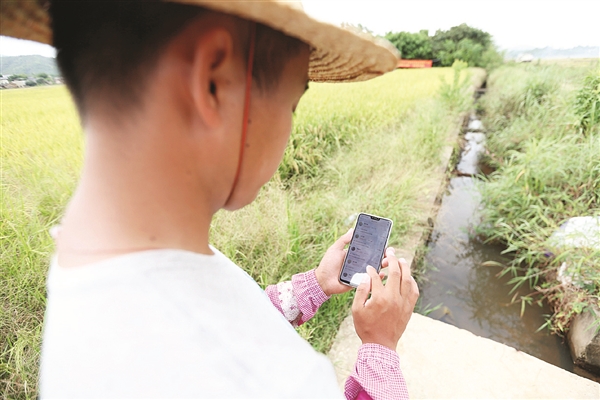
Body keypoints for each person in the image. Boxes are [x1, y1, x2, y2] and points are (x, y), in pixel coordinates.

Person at [2, 0, 419, 398]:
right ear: (213, 81)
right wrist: (380, 347)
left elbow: (231, 323)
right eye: (293, 102)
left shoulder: (103, 256)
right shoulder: (280, 385)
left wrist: (314, 285)